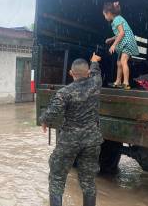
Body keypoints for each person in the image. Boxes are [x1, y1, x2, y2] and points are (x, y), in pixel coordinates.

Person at [40, 53, 103, 206]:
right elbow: (96, 72)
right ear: (87, 73)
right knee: (88, 181)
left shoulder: (64, 92)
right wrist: (94, 62)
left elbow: (53, 112)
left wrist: (44, 120)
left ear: (70, 73)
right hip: (92, 141)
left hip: (69, 141)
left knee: (57, 179)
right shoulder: (96, 84)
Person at [104, 1, 139, 90]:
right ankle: (118, 81)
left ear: (108, 13)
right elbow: (118, 33)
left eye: (104, 15)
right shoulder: (116, 20)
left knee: (123, 61)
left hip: (127, 42)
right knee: (119, 63)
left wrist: (113, 45)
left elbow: (122, 33)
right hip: (123, 43)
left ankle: (126, 83)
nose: (105, 17)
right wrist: (111, 39)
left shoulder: (117, 19)